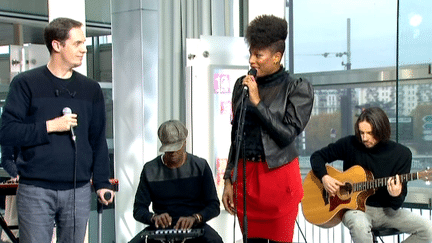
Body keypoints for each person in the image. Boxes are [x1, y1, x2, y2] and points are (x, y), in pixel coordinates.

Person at [0, 17, 114, 243]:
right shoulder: (26, 83)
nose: (84, 49)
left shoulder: (90, 89)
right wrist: (50, 126)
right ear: (57, 45)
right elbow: (8, 131)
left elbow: (97, 139)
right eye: (77, 44)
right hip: (36, 190)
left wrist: (102, 183)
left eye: (85, 43)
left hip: (78, 189)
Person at [222, 15, 314, 243]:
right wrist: (228, 180)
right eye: (251, 54)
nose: (252, 60)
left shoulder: (297, 88)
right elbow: (237, 136)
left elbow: (286, 136)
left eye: (258, 55)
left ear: (276, 57)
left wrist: (258, 103)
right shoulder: (241, 85)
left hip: (278, 178)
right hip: (245, 177)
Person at [310, 107, 432, 243]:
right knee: (359, 225)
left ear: (381, 130)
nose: (364, 138)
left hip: (387, 211)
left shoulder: (402, 154)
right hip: (355, 210)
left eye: (370, 133)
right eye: (361, 132)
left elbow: (397, 204)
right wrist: (324, 177)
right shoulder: (350, 144)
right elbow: (317, 157)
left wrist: (396, 194)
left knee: (428, 229)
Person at [131, 120, 223, 243]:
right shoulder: (150, 169)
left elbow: (214, 206)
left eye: (176, 147)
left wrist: (195, 218)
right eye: (168, 148)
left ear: (184, 143)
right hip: (161, 227)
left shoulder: (200, 166)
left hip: (195, 225)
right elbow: (138, 209)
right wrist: (153, 218)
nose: (173, 152)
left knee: (215, 241)